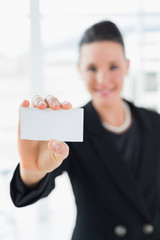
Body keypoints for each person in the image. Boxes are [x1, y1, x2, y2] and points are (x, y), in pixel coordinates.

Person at [10, 20, 160, 240]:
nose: (102, 79)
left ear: (127, 66)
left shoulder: (154, 122)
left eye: (113, 66)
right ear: (79, 70)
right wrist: (32, 171)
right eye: (92, 68)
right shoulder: (71, 125)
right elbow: (31, 188)